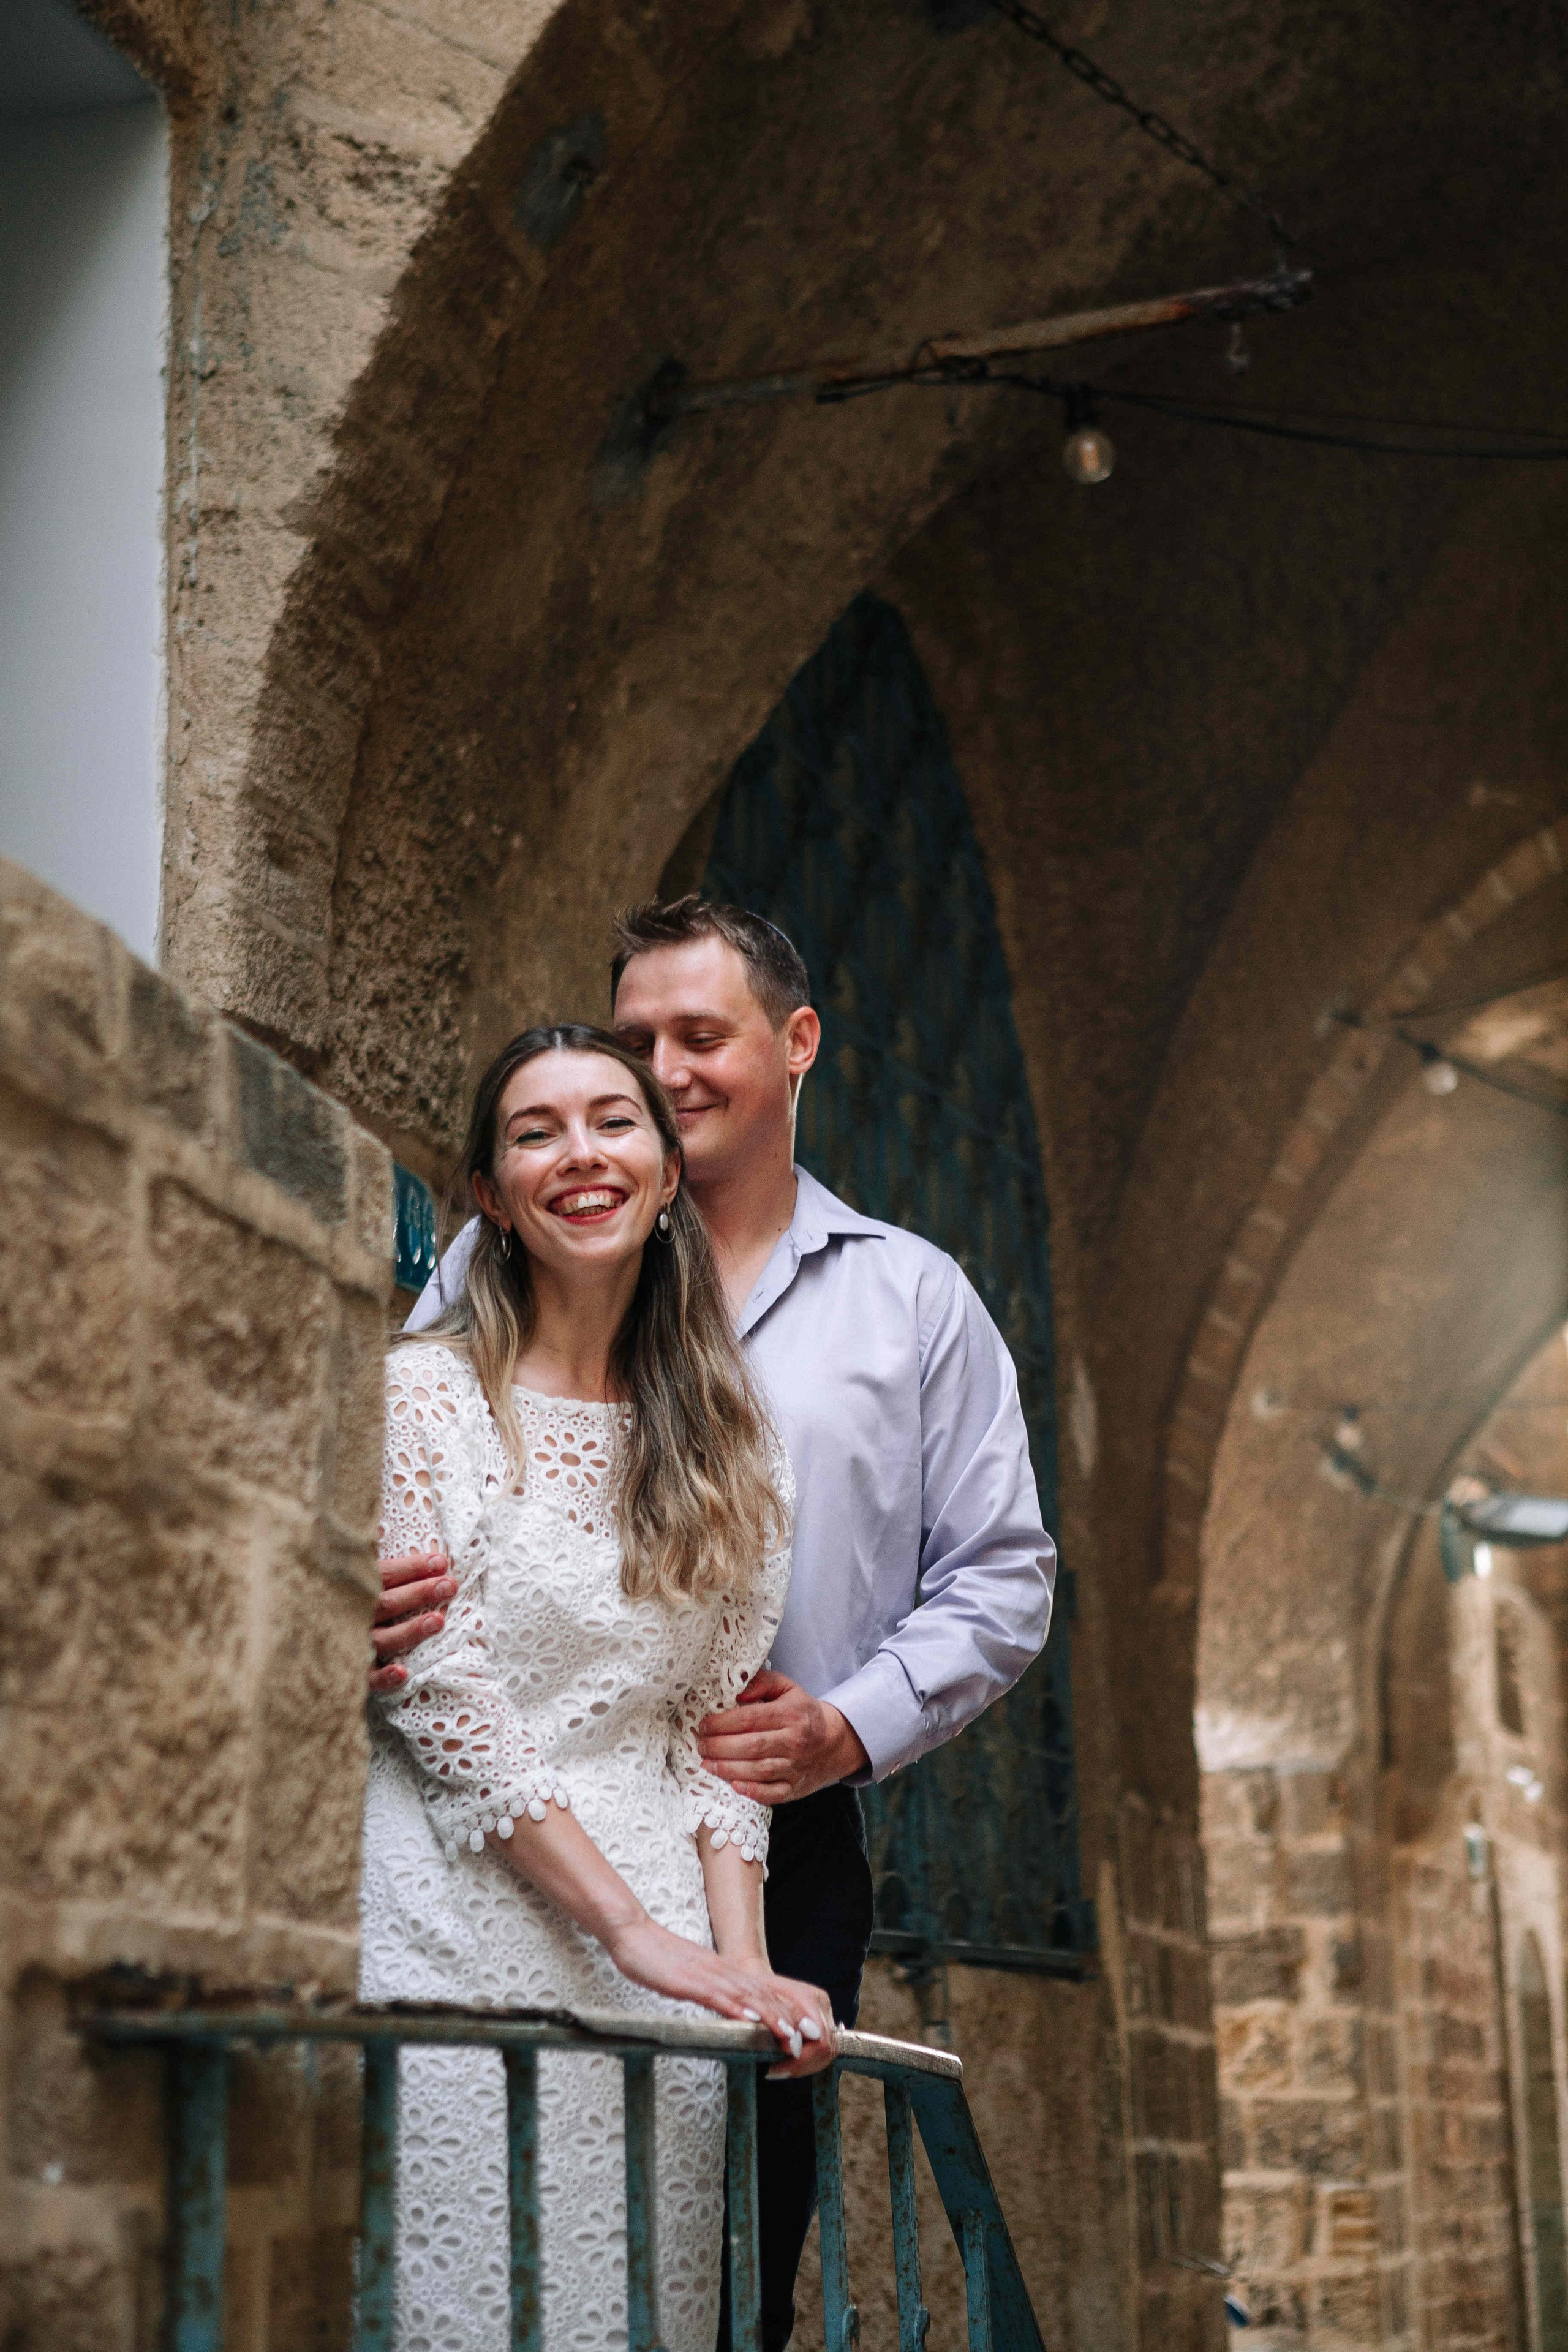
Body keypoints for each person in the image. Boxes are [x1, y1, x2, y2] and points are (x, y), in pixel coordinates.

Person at [383, 903, 1056, 2352]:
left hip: (764, 1825)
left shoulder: (911, 1299)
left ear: (795, 1045)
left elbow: (1003, 1578)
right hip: (485, 1831)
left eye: (700, 1037)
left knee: (722, 2256)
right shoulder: (484, 1278)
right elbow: (409, 1522)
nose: (667, 1072)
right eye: (638, 1043)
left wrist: (847, 1722)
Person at [360, 1020, 834, 2352]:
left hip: (668, 1972)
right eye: (535, 1132)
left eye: (613, 1123)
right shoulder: (424, 1400)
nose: (581, 1155)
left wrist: (739, 1971)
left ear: (668, 1174)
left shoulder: (733, 1444)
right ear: (489, 1197)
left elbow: (716, 1733)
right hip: (455, 1920)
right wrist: (629, 1932)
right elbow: (434, 1691)